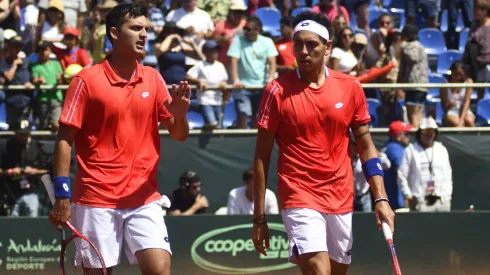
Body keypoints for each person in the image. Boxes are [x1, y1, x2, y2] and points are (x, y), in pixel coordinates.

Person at [48, 3, 190, 275]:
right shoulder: (86, 80)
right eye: (136, 28)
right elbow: (64, 139)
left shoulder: (153, 78)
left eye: (146, 29)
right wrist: (62, 195)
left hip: (144, 197)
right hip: (96, 198)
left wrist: (180, 116)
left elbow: (179, 134)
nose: (144, 35)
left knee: (160, 270)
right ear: (114, 33)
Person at [251, 12, 395, 275]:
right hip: (299, 194)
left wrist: (381, 197)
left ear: (328, 47)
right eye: (298, 44)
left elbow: (365, 145)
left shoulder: (350, 87)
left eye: (311, 44)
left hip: (341, 196)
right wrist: (259, 217)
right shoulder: (276, 91)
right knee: (319, 271)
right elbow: (261, 156)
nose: (303, 51)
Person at [227, 15, 278, 129]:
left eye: (250, 29)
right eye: (246, 28)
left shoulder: (267, 41)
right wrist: (236, 80)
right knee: (244, 114)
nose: (247, 31)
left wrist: (270, 79)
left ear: (258, 29)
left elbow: (272, 61)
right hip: (242, 86)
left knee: (258, 117)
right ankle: (240, 142)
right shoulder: (238, 40)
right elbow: (233, 60)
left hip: (261, 86)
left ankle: (255, 144)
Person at [397, 117, 453, 212]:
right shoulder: (410, 150)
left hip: (442, 200)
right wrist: (409, 196)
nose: (429, 136)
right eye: (426, 133)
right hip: (421, 201)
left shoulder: (441, 149)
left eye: (431, 132)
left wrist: (447, 195)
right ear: (420, 133)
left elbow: (448, 174)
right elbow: (401, 175)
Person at [0, 121, 49, 217]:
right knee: (11, 223)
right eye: (20, 134)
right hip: (11, 192)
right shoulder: (6, 146)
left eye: (25, 135)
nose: (23, 137)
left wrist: (33, 171)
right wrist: (10, 171)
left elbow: (48, 170)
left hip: (31, 191)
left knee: (32, 223)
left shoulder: (37, 147)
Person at [185, 40, 228, 129]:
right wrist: (199, 81)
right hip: (205, 100)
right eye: (212, 51)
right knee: (212, 123)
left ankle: (208, 138)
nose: (215, 53)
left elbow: (224, 79)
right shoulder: (200, 65)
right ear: (205, 52)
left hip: (217, 100)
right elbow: (188, 76)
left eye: (216, 51)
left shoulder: (220, 65)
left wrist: (223, 83)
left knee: (218, 126)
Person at [397, 24, 428, 128]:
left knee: (414, 114)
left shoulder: (415, 46)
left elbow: (413, 57)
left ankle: (416, 137)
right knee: (415, 114)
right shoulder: (417, 46)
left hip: (416, 85)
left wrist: (403, 46)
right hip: (415, 85)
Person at [31, 41, 64, 131]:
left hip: (56, 98)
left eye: (45, 50)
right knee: (43, 125)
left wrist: (59, 79)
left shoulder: (56, 63)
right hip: (42, 99)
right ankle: (42, 144)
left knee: (56, 124)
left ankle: (55, 143)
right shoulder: (35, 65)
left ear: (50, 51)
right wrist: (39, 81)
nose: (43, 52)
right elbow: (34, 80)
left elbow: (60, 81)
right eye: (41, 50)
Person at [381, 121, 412, 210]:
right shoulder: (395, 149)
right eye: (406, 134)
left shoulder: (387, 147)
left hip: (388, 201)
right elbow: (402, 170)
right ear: (398, 136)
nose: (408, 136)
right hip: (397, 202)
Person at [441, 61, 475, 127]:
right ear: (451, 72)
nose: (458, 77)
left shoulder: (469, 82)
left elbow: (466, 102)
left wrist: (461, 119)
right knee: (457, 124)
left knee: (469, 121)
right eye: (456, 74)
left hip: (465, 110)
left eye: (460, 74)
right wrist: (449, 105)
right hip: (451, 111)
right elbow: (444, 108)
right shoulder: (444, 85)